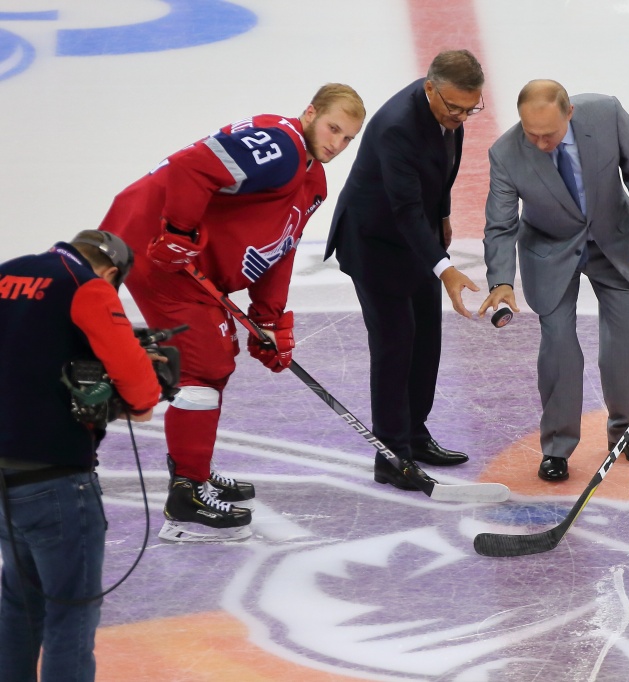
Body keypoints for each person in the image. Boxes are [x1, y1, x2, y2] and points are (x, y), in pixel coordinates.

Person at [100, 84, 365, 541]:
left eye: (347, 139)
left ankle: (194, 470)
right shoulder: (282, 145)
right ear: (310, 113)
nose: (336, 144)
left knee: (214, 362)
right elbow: (191, 165)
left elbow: (281, 247)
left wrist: (269, 318)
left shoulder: (312, 179)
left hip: (184, 259)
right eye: (333, 128)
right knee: (204, 363)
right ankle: (185, 500)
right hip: (157, 248)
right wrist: (178, 231)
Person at [477, 80, 629, 482]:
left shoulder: (606, 112)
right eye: (532, 134)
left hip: (616, 240)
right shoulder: (506, 153)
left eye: (550, 134)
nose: (541, 143)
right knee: (559, 347)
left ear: (570, 114)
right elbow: (500, 223)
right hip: (550, 250)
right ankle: (557, 447)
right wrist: (500, 281)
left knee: (626, 342)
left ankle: (628, 432)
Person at [0, 230, 161, 682]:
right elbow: (142, 393)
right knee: (71, 611)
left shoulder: (6, 272)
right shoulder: (86, 287)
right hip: (56, 478)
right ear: (111, 274)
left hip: (5, 481)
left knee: (18, 604)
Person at [324, 50, 484, 491]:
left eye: (470, 107)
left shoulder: (450, 111)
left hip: (416, 237)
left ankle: (415, 434)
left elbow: (442, 173)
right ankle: (392, 455)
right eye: (454, 107)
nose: (461, 116)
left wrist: (445, 215)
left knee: (426, 340)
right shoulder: (398, 127)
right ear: (430, 88)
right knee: (395, 345)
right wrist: (445, 268)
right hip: (375, 243)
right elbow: (405, 207)